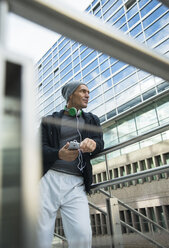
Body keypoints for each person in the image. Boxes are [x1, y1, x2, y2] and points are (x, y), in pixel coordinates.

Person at [37, 81, 104, 248]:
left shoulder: (92, 119)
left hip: (76, 183)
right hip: (48, 180)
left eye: (88, 92)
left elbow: (100, 142)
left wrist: (93, 145)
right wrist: (59, 154)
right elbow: (39, 149)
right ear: (70, 95)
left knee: (82, 233)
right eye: (82, 91)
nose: (87, 95)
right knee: (40, 234)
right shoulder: (49, 120)